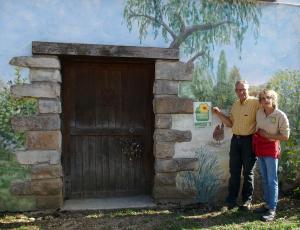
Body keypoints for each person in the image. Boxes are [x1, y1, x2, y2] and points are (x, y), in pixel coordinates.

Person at [213, 80, 260, 211]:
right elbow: (229, 124)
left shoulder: (256, 103)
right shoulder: (235, 105)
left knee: (248, 172)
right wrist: (219, 114)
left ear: (248, 89)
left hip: (249, 141)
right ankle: (231, 201)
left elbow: (266, 113)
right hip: (235, 141)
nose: (241, 92)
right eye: (239, 90)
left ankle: (247, 201)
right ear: (236, 91)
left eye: (244, 89)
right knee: (234, 172)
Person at [252, 89, 290, 221]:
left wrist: (267, 135)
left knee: (271, 179)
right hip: (261, 148)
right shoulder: (259, 113)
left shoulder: (280, 115)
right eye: (262, 98)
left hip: (271, 148)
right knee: (264, 177)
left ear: (273, 99)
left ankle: (272, 209)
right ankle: (267, 204)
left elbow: (285, 136)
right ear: (260, 102)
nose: (265, 100)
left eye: (268, 97)